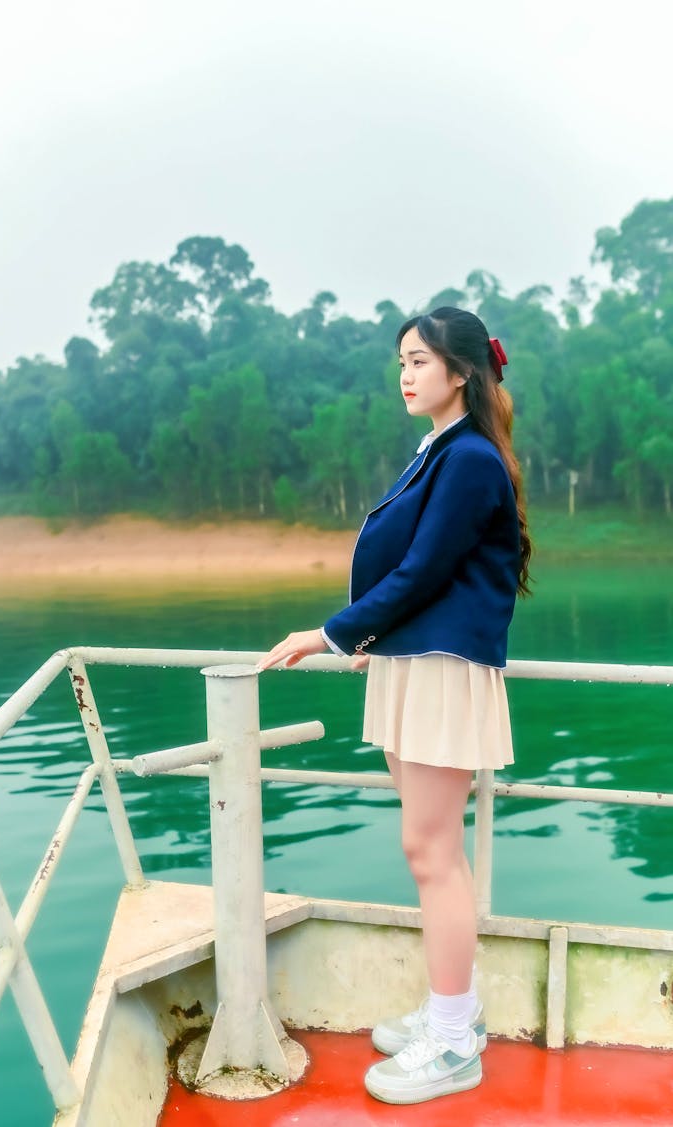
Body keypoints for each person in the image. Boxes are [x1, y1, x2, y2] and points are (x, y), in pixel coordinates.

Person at [257, 305, 531, 1106]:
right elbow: (416, 570)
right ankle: (455, 1013)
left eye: (418, 361)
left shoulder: (470, 458)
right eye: (401, 362)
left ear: (461, 372)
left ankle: (452, 1041)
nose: (405, 375)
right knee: (433, 851)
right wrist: (370, 636)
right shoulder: (441, 450)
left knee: (431, 853)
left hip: (444, 669)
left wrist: (331, 632)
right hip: (415, 662)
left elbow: (424, 568)